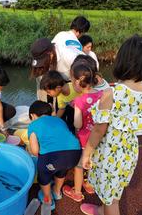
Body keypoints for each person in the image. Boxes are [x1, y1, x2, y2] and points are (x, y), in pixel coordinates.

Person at [80, 35, 142, 215]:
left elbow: (99, 129)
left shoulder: (112, 93)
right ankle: (101, 209)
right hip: (128, 150)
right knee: (114, 190)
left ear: (122, 60)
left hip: (109, 151)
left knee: (112, 200)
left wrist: (87, 153)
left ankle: (107, 209)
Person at [62, 57, 103, 202]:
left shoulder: (79, 101)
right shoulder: (102, 95)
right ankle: (90, 184)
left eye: (73, 81)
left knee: (79, 166)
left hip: (84, 139)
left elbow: (78, 124)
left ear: (78, 82)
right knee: (93, 161)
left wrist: (76, 110)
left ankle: (77, 192)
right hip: (98, 138)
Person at [28, 100, 81, 211]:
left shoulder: (33, 124)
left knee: (44, 174)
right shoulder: (59, 120)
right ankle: (57, 192)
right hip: (75, 155)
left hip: (53, 158)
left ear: (32, 115)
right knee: (62, 170)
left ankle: (48, 198)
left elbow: (35, 151)